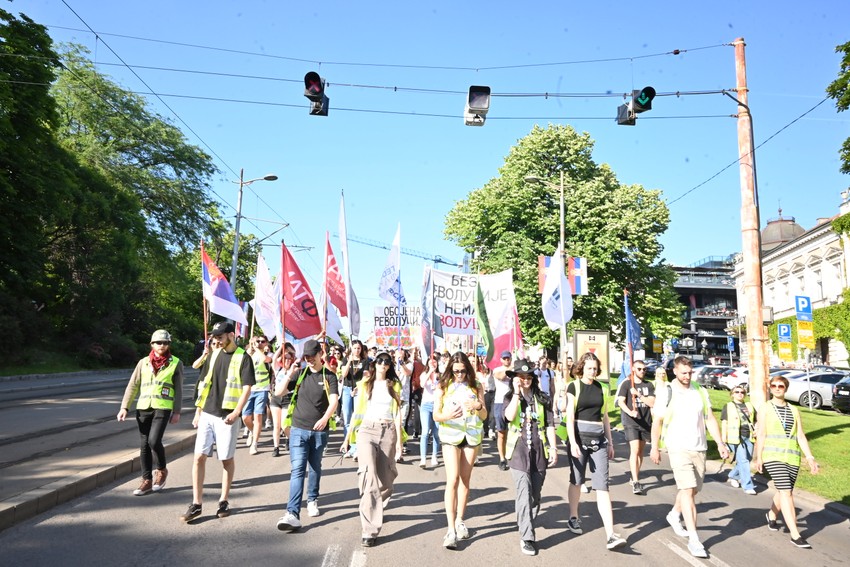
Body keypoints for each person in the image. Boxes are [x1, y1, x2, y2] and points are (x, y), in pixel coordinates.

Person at [650, 355, 729, 559]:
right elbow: (657, 421)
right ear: (674, 371)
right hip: (677, 447)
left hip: (699, 447)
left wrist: (720, 443)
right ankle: (694, 540)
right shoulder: (667, 391)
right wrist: (655, 447)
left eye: (690, 372)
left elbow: (709, 417)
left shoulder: (699, 390)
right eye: (683, 372)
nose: (687, 376)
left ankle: (674, 514)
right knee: (686, 489)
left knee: (693, 489)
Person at [180, 321, 254, 523]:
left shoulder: (243, 358)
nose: (216, 341)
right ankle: (196, 503)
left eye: (220, 337)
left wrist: (237, 411)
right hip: (207, 414)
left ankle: (224, 500)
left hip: (227, 417)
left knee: (226, 459)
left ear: (231, 335)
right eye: (214, 337)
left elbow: (247, 387)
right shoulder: (213, 354)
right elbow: (204, 384)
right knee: (198, 457)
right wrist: (198, 411)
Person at [340, 352, 405, 547]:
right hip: (367, 430)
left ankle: (374, 504)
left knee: (386, 482)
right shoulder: (364, 384)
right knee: (369, 478)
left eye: (387, 362)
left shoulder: (394, 385)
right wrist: (347, 438)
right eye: (380, 361)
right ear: (374, 363)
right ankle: (370, 530)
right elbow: (356, 412)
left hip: (388, 431)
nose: (383, 364)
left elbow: (398, 414)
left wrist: (400, 442)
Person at [564, 352, 627, 550]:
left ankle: (610, 534)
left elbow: (605, 417)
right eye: (589, 368)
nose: (593, 371)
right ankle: (573, 516)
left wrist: (609, 442)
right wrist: (573, 442)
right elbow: (570, 417)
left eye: (595, 368)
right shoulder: (574, 386)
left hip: (598, 440)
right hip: (579, 439)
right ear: (581, 368)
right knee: (577, 480)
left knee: (602, 486)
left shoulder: (603, 387)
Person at [276, 339, 340, 531]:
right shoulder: (300, 374)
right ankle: (292, 513)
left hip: (319, 432)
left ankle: (312, 499)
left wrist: (325, 418)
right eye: (307, 357)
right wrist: (289, 374)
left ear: (321, 354)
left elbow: (334, 401)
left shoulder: (329, 376)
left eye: (313, 356)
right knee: (297, 470)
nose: (310, 360)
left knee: (314, 468)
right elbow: (279, 392)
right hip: (298, 429)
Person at [752, 375, 819, 548]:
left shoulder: (794, 410)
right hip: (772, 456)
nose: (776, 388)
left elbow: (800, 435)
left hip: (792, 457)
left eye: (780, 386)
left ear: (786, 388)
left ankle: (772, 515)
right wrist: (759, 457)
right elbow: (761, 434)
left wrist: (810, 457)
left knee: (783, 490)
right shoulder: (765, 407)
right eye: (773, 385)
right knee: (787, 492)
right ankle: (795, 535)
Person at [117, 329, 184, 496]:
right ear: (152, 344)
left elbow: (179, 389)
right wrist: (124, 407)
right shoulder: (143, 362)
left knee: (154, 441)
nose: (162, 345)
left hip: (163, 407)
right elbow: (133, 385)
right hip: (144, 407)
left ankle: (161, 470)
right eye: (159, 342)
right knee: (145, 444)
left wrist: (177, 411)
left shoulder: (176, 363)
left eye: (165, 343)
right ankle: (146, 480)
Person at [503, 358, 558, 556]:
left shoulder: (542, 399)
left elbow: (550, 424)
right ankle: (527, 537)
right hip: (518, 453)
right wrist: (517, 394)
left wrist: (553, 448)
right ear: (515, 378)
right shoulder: (510, 397)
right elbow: (509, 417)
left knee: (534, 495)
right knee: (523, 493)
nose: (525, 380)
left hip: (538, 451)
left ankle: (526, 518)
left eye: (528, 377)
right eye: (521, 377)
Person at [433, 351, 486, 549]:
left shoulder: (476, 386)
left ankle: (460, 520)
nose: (460, 374)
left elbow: (484, 415)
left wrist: (478, 405)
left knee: (465, 480)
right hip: (450, 437)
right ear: (450, 369)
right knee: (452, 479)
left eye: (463, 371)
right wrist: (446, 415)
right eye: (456, 371)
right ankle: (450, 530)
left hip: (471, 436)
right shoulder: (443, 386)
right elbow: (436, 416)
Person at [615, 360, 655, 495]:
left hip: (645, 422)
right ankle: (636, 481)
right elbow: (620, 402)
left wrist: (638, 394)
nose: (642, 372)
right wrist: (630, 412)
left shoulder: (648, 385)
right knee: (635, 449)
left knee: (640, 452)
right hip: (631, 421)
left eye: (644, 369)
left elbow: (652, 403)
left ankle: (634, 475)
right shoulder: (626, 384)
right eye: (639, 369)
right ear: (633, 369)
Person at [720, 386, 757, 495]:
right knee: (744, 460)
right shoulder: (728, 406)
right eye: (737, 392)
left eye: (742, 392)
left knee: (747, 458)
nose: (740, 394)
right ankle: (748, 486)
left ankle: (733, 476)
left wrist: (757, 429)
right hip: (735, 437)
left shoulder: (749, 405)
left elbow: (755, 420)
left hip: (749, 436)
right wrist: (723, 441)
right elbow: (724, 423)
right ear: (732, 394)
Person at [242, 334, 272, 455]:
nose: (259, 343)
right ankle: (252, 431)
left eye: (262, 341)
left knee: (258, 416)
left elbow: (266, 360)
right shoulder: (248, 354)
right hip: (249, 389)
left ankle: (254, 443)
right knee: (245, 417)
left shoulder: (268, 355)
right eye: (257, 341)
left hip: (262, 389)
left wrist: (258, 349)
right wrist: (250, 351)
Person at [339, 340, 367, 457]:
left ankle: (356, 446)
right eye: (355, 348)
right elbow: (343, 374)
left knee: (357, 417)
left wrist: (358, 387)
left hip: (358, 390)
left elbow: (366, 376)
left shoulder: (365, 361)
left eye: (359, 348)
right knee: (347, 418)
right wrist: (349, 360)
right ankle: (348, 444)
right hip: (346, 389)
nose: (357, 350)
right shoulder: (346, 359)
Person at [269, 342, 298, 457]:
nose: (286, 360)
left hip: (288, 399)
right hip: (276, 399)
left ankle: (290, 439)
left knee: (284, 425)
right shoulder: (278, 369)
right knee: (276, 425)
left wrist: (290, 352)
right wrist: (281, 347)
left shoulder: (294, 370)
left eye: (289, 357)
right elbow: (274, 358)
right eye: (284, 357)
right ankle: (276, 447)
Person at [419, 353, 442, 468]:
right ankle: (423, 458)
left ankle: (434, 456)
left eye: (435, 361)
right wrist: (429, 373)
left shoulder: (441, 375)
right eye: (431, 361)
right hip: (426, 405)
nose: (433, 363)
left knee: (436, 433)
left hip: (437, 405)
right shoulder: (424, 374)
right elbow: (422, 384)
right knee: (425, 431)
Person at [493, 350, 513, 471]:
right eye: (504, 358)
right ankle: (502, 458)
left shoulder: (514, 370)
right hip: (500, 402)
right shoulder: (497, 370)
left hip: (512, 402)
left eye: (508, 358)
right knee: (501, 433)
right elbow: (501, 376)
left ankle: (511, 456)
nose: (506, 360)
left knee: (513, 432)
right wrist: (511, 368)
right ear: (501, 359)